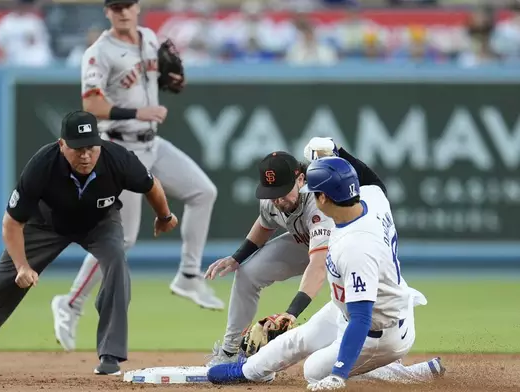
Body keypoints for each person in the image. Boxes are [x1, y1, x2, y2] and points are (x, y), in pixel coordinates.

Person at [0, 110, 178, 376]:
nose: (85, 155)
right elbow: (11, 223)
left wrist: (164, 216)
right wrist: (22, 266)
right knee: (2, 281)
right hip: (47, 224)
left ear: (100, 142)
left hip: (100, 222)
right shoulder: (42, 165)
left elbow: (152, 186)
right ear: (61, 145)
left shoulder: (118, 158)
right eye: (77, 148)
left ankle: (110, 355)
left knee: (116, 264)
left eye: (91, 146)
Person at [50, 0, 223, 353]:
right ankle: (69, 303)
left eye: (128, 4)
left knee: (203, 192)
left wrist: (168, 79)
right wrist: (138, 109)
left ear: (138, 6)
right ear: (106, 11)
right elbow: (91, 106)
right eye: (115, 6)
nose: (123, 11)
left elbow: (151, 77)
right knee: (123, 240)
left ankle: (189, 276)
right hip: (119, 149)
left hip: (152, 143)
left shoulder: (148, 37)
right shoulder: (99, 52)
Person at [207, 142, 446, 389]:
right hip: (350, 308)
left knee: (314, 370)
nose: (310, 194)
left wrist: (338, 374)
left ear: (323, 197)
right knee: (296, 340)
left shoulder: (355, 247)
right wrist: (337, 150)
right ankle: (246, 369)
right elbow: (373, 182)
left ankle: (406, 373)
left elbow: (361, 318)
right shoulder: (372, 199)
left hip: (379, 330)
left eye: (315, 190)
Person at [204, 150, 334, 366]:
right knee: (247, 273)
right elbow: (265, 224)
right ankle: (231, 352)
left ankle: (377, 355)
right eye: (273, 193)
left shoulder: (319, 200)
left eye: (283, 191)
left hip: (347, 250)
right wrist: (237, 258)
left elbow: (319, 266)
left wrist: (291, 314)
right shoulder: (273, 200)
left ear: (300, 179)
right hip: (306, 242)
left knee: (352, 302)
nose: (279, 199)